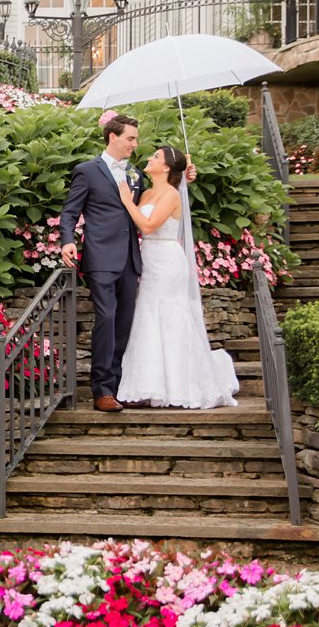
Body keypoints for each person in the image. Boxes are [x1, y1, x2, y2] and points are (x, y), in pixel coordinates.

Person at [113, 145, 240, 409]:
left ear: (167, 167)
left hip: (168, 261)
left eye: (156, 157)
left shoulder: (171, 194)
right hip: (148, 260)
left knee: (171, 317)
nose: (150, 158)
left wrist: (127, 201)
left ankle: (179, 384)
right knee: (148, 316)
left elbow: (148, 225)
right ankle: (149, 384)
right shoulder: (147, 191)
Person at [57, 112, 145, 412]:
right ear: (113, 137)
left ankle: (120, 387)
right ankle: (102, 391)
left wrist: (182, 177)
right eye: (131, 138)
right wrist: (68, 240)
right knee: (106, 318)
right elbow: (69, 212)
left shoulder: (135, 174)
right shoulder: (88, 171)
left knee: (124, 323)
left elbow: (150, 205)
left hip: (130, 258)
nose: (135, 143)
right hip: (101, 256)